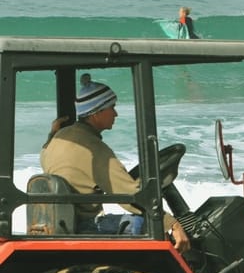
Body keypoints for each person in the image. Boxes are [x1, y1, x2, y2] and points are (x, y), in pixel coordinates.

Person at [40, 80, 190, 253]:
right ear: (95, 113)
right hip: (83, 226)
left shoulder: (58, 139)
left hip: (64, 223)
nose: (116, 113)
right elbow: (128, 196)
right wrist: (172, 224)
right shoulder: (92, 149)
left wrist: (52, 133)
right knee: (144, 224)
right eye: (111, 107)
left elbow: (43, 155)